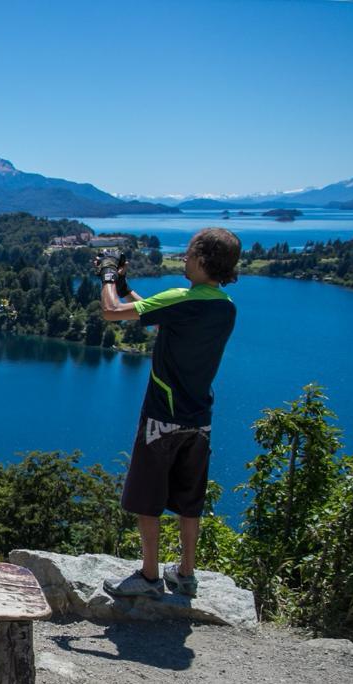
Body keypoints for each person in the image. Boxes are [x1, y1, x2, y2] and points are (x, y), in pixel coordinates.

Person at [99, 228, 240, 599]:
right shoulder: (225, 307)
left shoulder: (182, 298)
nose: (184, 259)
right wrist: (128, 286)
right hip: (199, 420)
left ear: (202, 260)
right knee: (188, 500)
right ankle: (186, 574)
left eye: (190, 253)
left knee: (149, 498)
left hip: (162, 418)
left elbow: (111, 313)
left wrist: (108, 278)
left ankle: (148, 576)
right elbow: (167, 316)